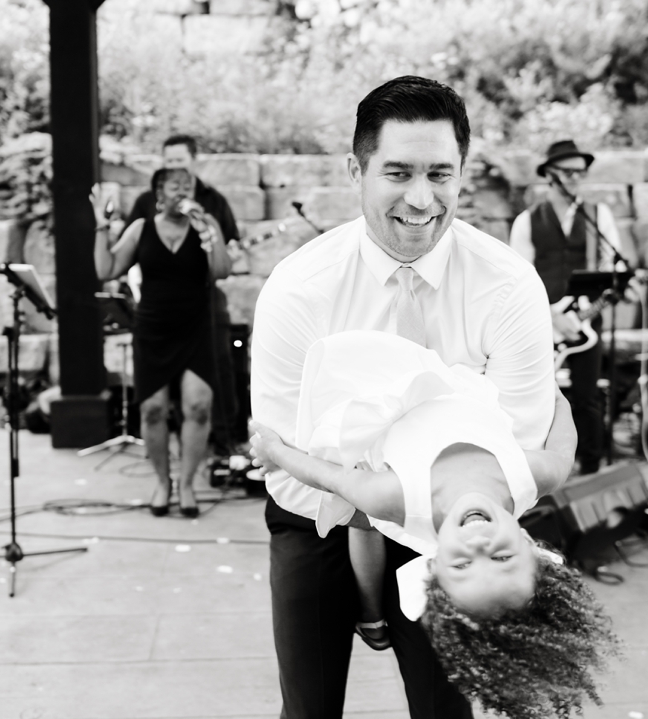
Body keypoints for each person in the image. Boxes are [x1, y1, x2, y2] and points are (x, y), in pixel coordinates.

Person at [250, 76, 578, 719]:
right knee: (308, 707)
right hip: (321, 513)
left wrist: (425, 518)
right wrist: (372, 526)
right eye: (397, 172)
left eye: (441, 174)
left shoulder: (509, 286)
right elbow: (290, 476)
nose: (421, 199)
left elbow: (534, 443)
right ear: (357, 170)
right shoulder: (299, 290)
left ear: (463, 173)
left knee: (447, 710)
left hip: (457, 526)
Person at [250, 330, 619, 718]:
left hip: (374, 380)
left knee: (361, 518)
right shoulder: (531, 477)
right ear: (531, 545)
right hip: (459, 374)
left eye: (462, 565)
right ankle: (372, 610)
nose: (479, 546)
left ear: (434, 566)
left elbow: (328, 476)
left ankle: (370, 609)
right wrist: (554, 397)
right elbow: (563, 450)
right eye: (502, 556)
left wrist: (275, 451)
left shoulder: (396, 496)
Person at [94, 167, 233, 518]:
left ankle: (186, 484)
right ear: (159, 192)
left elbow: (221, 271)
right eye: (175, 186)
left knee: (198, 407)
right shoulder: (141, 228)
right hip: (153, 329)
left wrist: (209, 235)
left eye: (188, 187)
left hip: (195, 328)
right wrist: (100, 225)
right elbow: (106, 269)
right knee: (152, 409)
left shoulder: (207, 225)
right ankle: (162, 481)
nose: (183, 192)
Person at [509, 139, 629, 476]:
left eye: (581, 172)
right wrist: (550, 316)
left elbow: (613, 269)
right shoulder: (527, 221)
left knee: (588, 397)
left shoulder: (597, 216)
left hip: (587, 321)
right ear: (550, 175)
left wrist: (624, 284)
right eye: (568, 172)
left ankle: (590, 469)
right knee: (536, 398)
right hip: (540, 324)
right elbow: (518, 281)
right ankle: (536, 469)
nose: (576, 179)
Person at [124, 134, 241, 455]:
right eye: (169, 161)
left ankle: (224, 439)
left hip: (201, 297)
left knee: (220, 362)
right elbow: (130, 247)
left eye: (180, 161)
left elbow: (229, 249)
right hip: (157, 301)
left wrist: (212, 239)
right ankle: (163, 445)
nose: (174, 167)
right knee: (155, 398)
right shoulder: (148, 199)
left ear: (193, 161)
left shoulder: (212, 200)